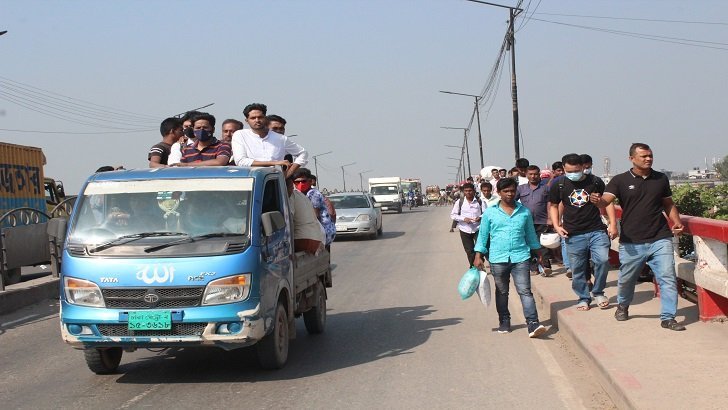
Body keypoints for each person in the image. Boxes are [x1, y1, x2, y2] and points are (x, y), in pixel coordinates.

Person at [596, 143, 686, 331]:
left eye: (650, 156)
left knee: (668, 277)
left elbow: (667, 203)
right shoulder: (619, 180)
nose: (648, 159)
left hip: (660, 237)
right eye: (644, 156)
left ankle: (668, 317)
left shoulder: (661, 178)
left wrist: (676, 222)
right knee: (627, 279)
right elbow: (606, 200)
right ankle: (623, 305)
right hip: (632, 241)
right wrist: (597, 201)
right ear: (632, 159)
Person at [474, 178, 547, 338]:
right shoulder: (490, 213)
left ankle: (533, 324)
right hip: (497, 258)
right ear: (498, 193)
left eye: (512, 191)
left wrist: (539, 253)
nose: (509, 194)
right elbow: (483, 236)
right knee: (502, 292)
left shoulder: (524, 212)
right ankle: (504, 321)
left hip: (520, 257)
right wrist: (478, 255)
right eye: (506, 191)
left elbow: (530, 234)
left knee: (525, 291)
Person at [549, 153, 617, 311]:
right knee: (578, 268)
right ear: (564, 169)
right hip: (573, 232)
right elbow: (553, 205)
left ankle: (598, 291)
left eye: (576, 170)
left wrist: (613, 224)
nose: (573, 174)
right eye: (569, 171)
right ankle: (583, 297)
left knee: (603, 260)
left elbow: (607, 202)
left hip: (596, 230)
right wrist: (557, 225)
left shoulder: (595, 181)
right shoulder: (559, 184)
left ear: (582, 167)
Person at [231, 103, 308, 178]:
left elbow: (303, 153)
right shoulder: (240, 135)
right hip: (250, 180)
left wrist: (288, 174)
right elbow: (241, 161)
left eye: (260, 117)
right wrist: (276, 163)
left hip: (274, 180)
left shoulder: (280, 138)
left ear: (265, 118)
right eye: (253, 118)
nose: (257, 120)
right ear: (246, 121)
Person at [515, 165, 552, 276]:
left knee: (543, 245)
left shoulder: (545, 188)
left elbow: (550, 204)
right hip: (526, 222)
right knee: (529, 245)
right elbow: (512, 203)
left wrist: (550, 218)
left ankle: (546, 266)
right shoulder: (520, 188)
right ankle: (534, 267)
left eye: (535, 174)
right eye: (530, 174)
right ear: (526, 175)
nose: (533, 176)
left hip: (542, 221)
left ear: (539, 174)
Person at [292, 168, 335, 251]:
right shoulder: (300, 194)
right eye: (297, 182)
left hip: (324, 231)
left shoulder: (313, 194)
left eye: (303, 181)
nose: (300, 184)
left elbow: (314, 216)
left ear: (310, 181)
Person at [285, 177, 325, 254]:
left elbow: (288, 220)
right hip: (316, 238)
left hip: (303, 239)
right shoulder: (301, 195)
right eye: (297, 182)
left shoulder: (291, 197)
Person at [450, 182, 483, 268]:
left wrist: (480, 217)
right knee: (469, 250)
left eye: (470, 190)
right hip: (465, 229)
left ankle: (480, 263)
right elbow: (453, 215)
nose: (468, 192)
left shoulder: (479, 201)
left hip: (478, 228)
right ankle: (473, 267)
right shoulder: (459, 202)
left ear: (474, 191)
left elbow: (486, 213)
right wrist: (463, 219)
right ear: (463, 192)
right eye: (466, 191)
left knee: (480, 249)